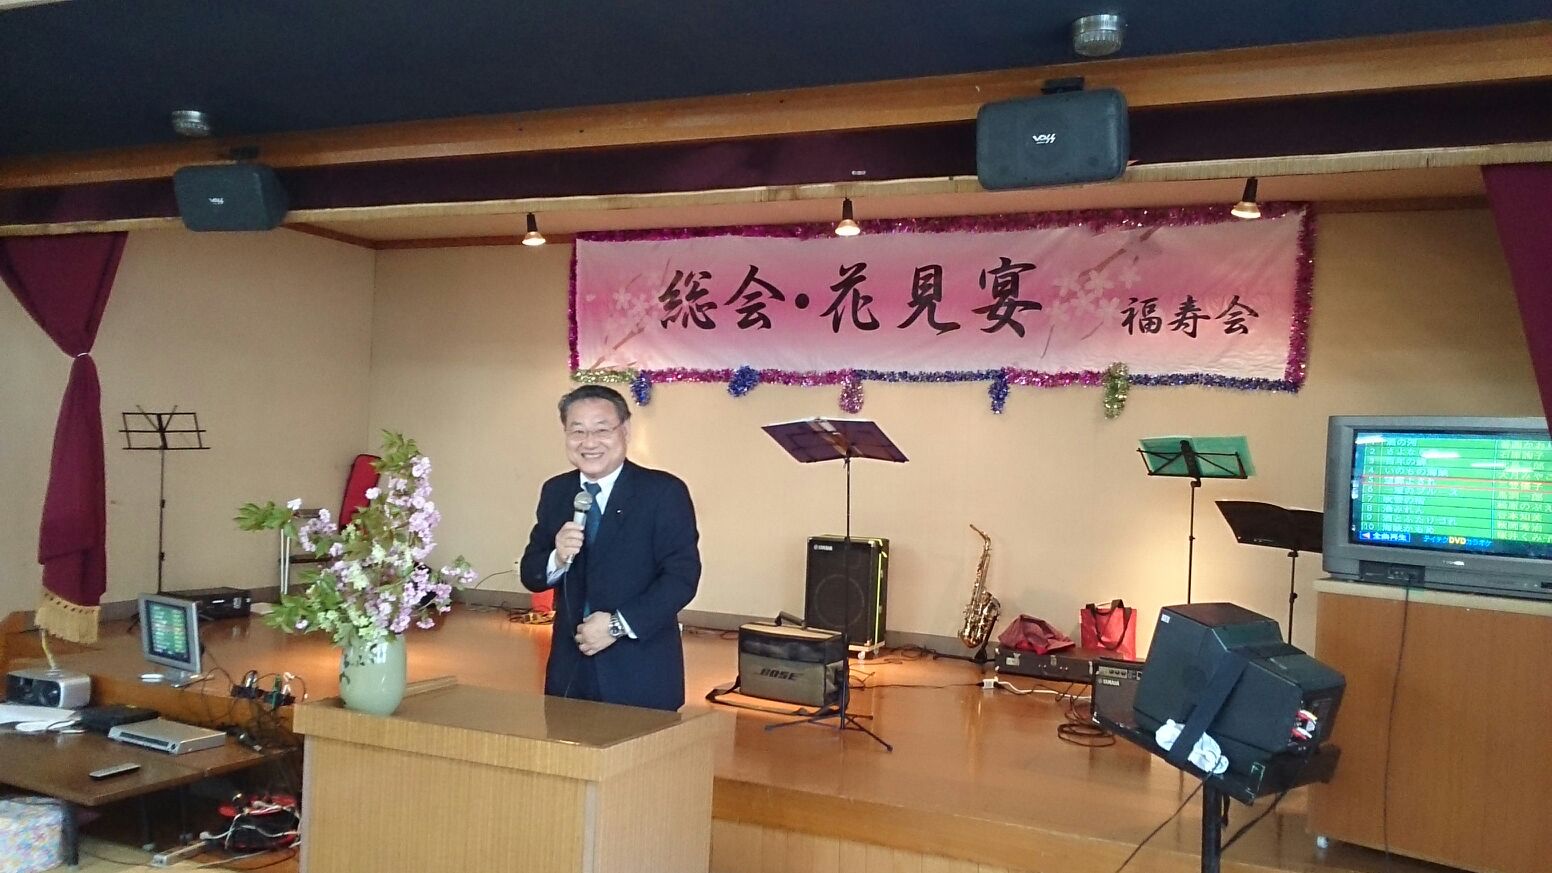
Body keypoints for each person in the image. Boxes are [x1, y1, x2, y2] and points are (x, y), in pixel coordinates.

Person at [519, 384, 701, 711]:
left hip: (640, 671)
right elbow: (531, 574)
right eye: (577, 431)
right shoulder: (557, 491)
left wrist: (617, 625)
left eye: (602, 430)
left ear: (625, 430)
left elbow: (681, 579)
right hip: (570, 672)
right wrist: (557, 557)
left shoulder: (662, 492)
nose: (589, 442)